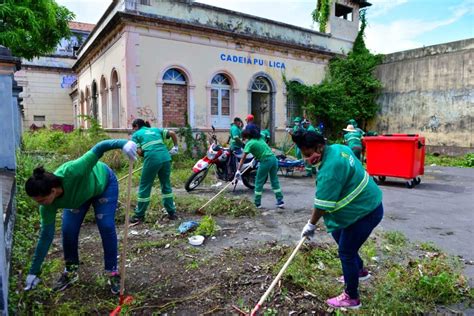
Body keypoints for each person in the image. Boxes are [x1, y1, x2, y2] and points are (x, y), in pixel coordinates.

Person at [24, 139, 138, 294]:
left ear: (53, 191)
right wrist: (33, 271)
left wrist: (124, 143)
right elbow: (46, 237)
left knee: (106, 225)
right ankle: (70, 271)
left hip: (103, 185)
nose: (41, 205)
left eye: (42, 200)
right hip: (79, 198)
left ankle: (113, 272)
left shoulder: (73, 171)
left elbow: (100, 147)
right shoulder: (47, 206)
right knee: (68, 230)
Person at [293, 130, 383, 310]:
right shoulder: (339, 148)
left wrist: (311, 225)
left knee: (346, 252)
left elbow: (322, 205)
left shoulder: (330, 170)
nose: (308, 159)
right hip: (368, 204)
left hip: (364, 212)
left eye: (309, 154)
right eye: (304, 155)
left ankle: (352, 297)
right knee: (337, 233)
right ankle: (359, 271)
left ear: (319, 146)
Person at [129, 119, 179, 225]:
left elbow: (139, 152)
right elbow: (172, 133)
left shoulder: (136, 134)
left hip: (152, 158)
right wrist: (175, 147)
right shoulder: (155, 129)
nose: (133, 130)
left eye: (133, 128)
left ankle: (139, 216)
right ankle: (172, 213)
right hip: (166, 157)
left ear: (136, 126)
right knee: (166, 185)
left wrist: (144, 152)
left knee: (145, 186)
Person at [236, 128, 284, 209]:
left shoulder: (249, 143)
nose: (243, 140)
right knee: (274, 180)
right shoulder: (260, 138)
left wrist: (238, 170)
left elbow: (243, 158)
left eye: (244, 138)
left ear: (247, 136)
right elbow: (260, 146)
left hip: (265, 161)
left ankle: (257, 203)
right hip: (274, 160)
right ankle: (280, 201)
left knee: (258, 181)